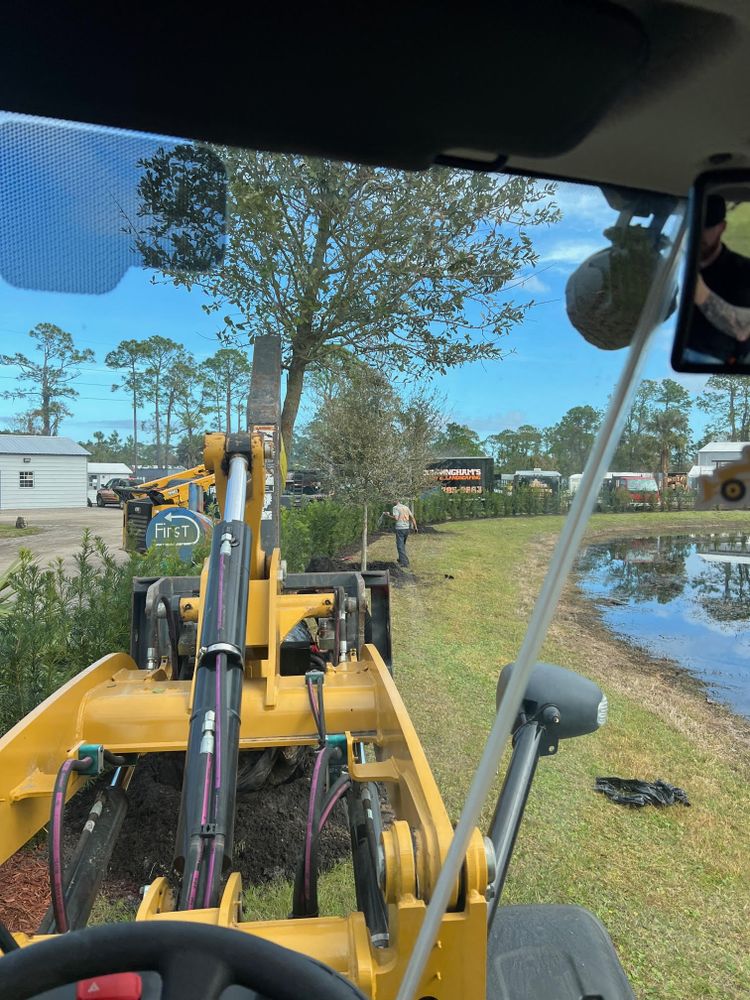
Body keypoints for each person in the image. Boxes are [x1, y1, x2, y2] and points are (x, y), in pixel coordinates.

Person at [685, 194, 750, 365]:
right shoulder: (674, 265)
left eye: (705, 227)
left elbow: (744, 328)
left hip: (712, 360)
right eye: (691, 226)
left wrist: (700, 293)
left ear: (722, 227)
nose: (697, 234)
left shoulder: (744, 270)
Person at [383, 499, 417, 567]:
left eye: (392, 500)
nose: (391, 502)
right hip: (407, 528)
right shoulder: (406, 507)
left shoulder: (395, 508)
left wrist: (387, 515)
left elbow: (396, 518)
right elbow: (412, 517)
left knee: (400, 546)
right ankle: (403, 559)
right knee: (402, 545)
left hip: (400, 528)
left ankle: (404, 563)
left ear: (396, 501)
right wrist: (415, 527)